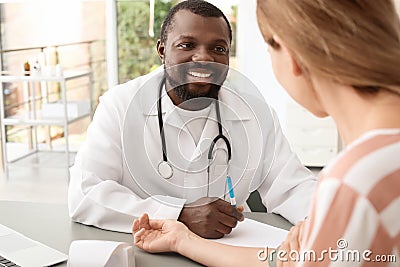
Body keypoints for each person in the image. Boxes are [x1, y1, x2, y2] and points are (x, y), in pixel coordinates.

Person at [132, 0, 400, 266]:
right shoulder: (374, 170)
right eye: (187, 45)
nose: (203, 58)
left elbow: (293, 194)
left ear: (292, 55)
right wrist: (183, 238)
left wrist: (324, 221)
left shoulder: (354, 185)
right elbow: (291, 262)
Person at [68, 0, 316, 238]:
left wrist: (338, 224)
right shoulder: (120, 105)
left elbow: (293, 188)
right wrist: (178, 215)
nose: (204, 58)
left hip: (229, 245)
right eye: (187, 45)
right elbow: (85, 193)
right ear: (162, 50)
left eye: (218, 49)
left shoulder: (256, 114)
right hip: (144, 247)